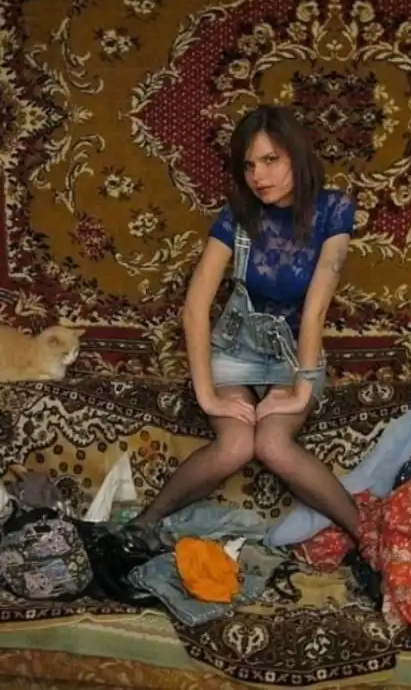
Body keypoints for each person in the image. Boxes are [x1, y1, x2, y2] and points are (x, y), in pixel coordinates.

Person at [135, 104, 361, 542]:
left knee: (272, 444)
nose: (258, 175)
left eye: (270, 159)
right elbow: (195, 306)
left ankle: (368, 538)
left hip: (294, 357)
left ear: (297, 154)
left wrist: (300, 390)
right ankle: (139, 528)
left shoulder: (333, 210)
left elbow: (315, 309)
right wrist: (207, 395)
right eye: (249, 165)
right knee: (236, 445)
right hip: (236, 351)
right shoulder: (239, 215)